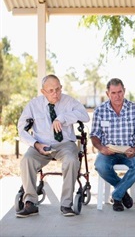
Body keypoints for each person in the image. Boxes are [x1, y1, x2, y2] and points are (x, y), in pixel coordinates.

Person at [16, 74, 90, 218]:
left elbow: (85, 116)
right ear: (43, 91)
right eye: (50, 91)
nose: (55, 94)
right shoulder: (33, 105)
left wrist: (62, 118)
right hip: (40, 145)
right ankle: (30, 202)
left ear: (61, 87)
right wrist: (35, 144)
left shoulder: (68, 101)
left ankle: (66, 204)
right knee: (26, 161)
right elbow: (21, 129)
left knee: (71, 160)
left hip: (64, 144)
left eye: (58, 89)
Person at [90, 78, 135, 212]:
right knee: (100, 166)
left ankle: (117, 195)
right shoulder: (100, 110)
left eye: (120, 92)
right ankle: (122, 193)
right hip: (108, 152)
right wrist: (101, 148)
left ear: (124, 91)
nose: (117, 96)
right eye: (114, 93)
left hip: (129, 151)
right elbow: (94, 135)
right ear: (107, 93)